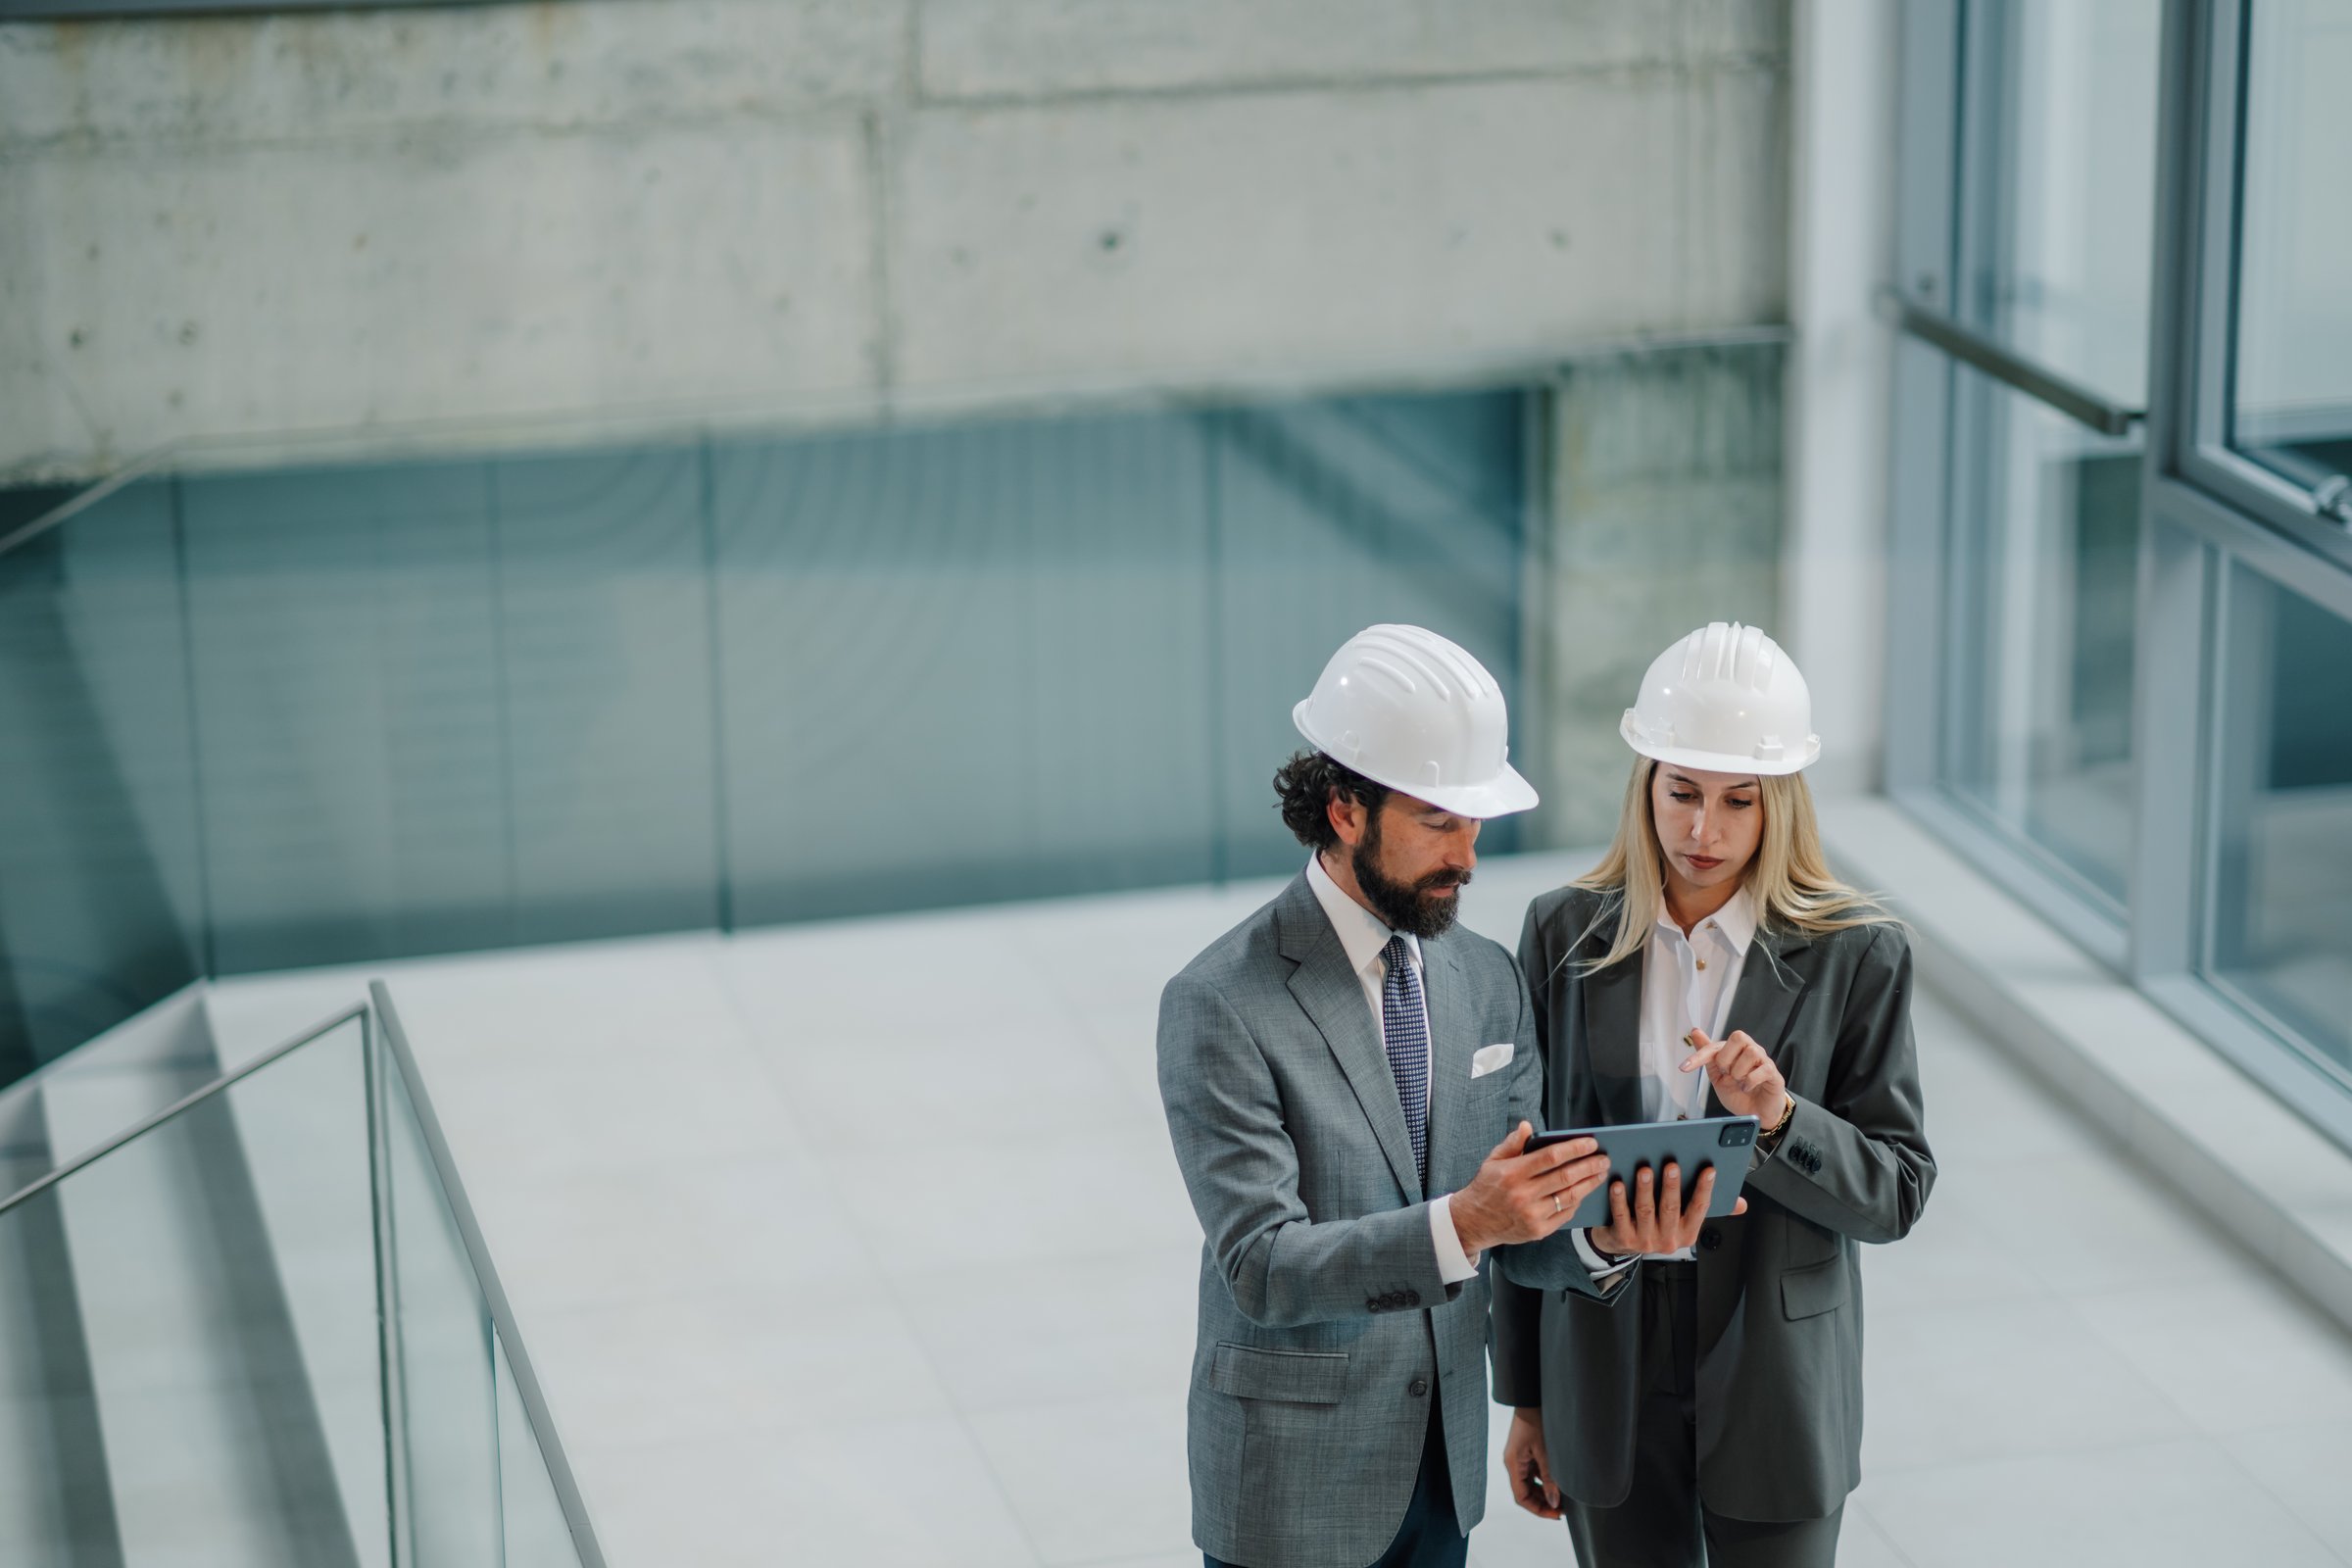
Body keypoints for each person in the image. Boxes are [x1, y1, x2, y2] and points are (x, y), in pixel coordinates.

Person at [1158, 624, 1730, 1568]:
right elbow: (1261, 1267)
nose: (1466, 855)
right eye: (1438, 822)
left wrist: (1602, 1234)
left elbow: (1520, 1215)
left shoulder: (1485, 978)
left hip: (1440, 1475)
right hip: (1294, 1490)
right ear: (1344, 810)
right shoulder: (1221, 1002)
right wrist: (1463, 1224)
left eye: (1475, 823)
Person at [1494, 621, 1935, 1568]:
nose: (1704, 830)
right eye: (1682, 792)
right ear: (1644, 782)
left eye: (1740, 801)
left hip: (1776, 1385)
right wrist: (1528, 1398)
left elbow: (1896, 1193)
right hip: (1605, 1371)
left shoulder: (1858, 953)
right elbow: (1521, 1176)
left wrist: (1780, 1119)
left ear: (1783, 806)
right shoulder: (1562, 936)